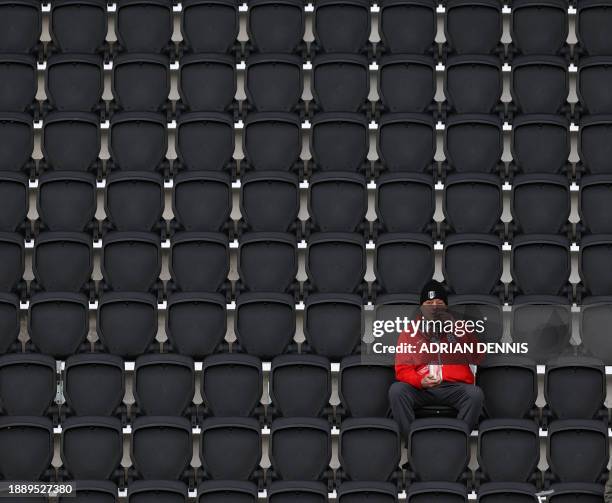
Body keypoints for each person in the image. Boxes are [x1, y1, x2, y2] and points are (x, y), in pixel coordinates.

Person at [388, 280, 484, 440]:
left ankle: (457, 442)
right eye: (429, 302)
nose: (434, 307)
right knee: (397, 391)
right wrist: (420, 381)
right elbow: (402, 370)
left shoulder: (460, 327)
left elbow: (478, 356)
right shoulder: (410, 332)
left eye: (439, 302)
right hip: (422, 388)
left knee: (475, 395)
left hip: (454, 387)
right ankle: (413, 443)